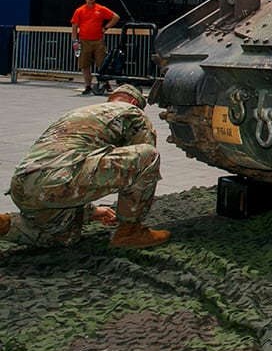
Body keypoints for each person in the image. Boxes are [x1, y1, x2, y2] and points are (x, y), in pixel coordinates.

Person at [0, 84, 170, 250]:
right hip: (58, 181)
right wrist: (131, 212)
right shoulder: (133, 112)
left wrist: (92, 211)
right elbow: (141, 168)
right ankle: (129, 232)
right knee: (148, 156)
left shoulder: (79, 113)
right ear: (134, 103)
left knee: (64, 236)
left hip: (22, 185)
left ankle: (6, 224)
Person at [70, 0, 120, 95]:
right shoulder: (79, 11)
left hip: (98, 40)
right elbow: (74, 26)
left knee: (102, 63)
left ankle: (106, 83)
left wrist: (105, 28)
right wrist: (74, 41)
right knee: (85, 64)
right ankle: (88, 85)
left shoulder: (100, 9)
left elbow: (115, 17)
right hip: (84, 41)